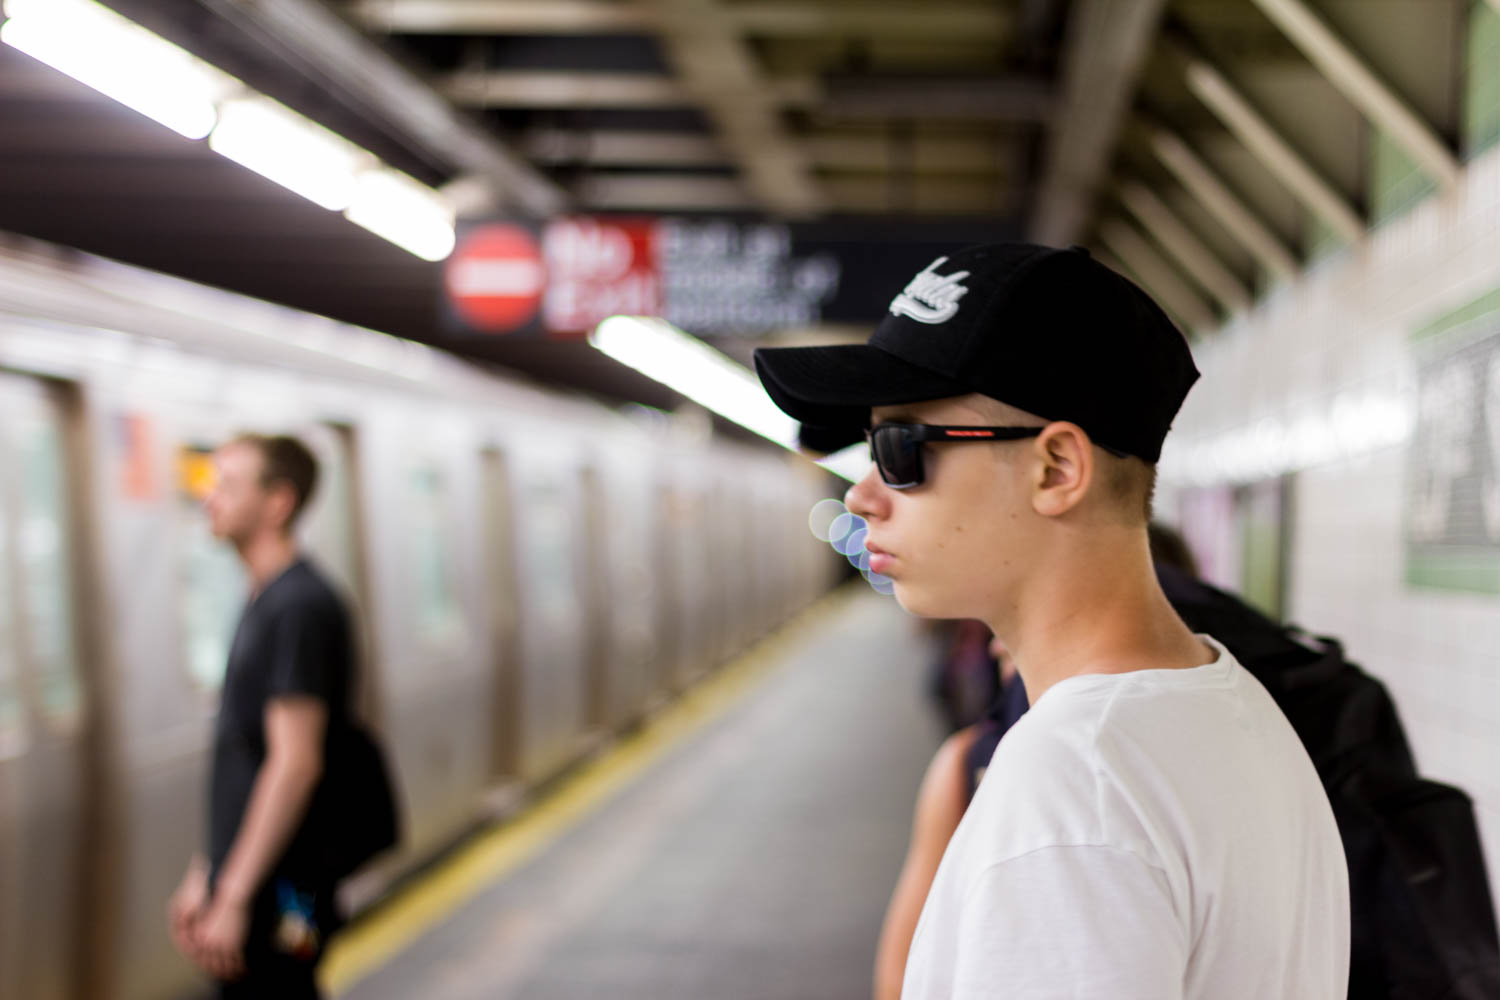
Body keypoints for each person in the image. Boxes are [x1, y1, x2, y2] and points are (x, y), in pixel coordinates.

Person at [754, 244, 1349, 999]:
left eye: (898, 448)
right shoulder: (1231, 704)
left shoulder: (1074, 785)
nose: (863, 496)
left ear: (1057, 469)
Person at [167, 434, 352, 999]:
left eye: (227, 486)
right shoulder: (265, 598)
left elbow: (295, 762)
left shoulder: (297, 607)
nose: (209, 498)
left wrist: (235, 895)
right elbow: (246, 751)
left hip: (283, 889)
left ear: (278, 503)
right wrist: (208, 869)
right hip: (257, 881)